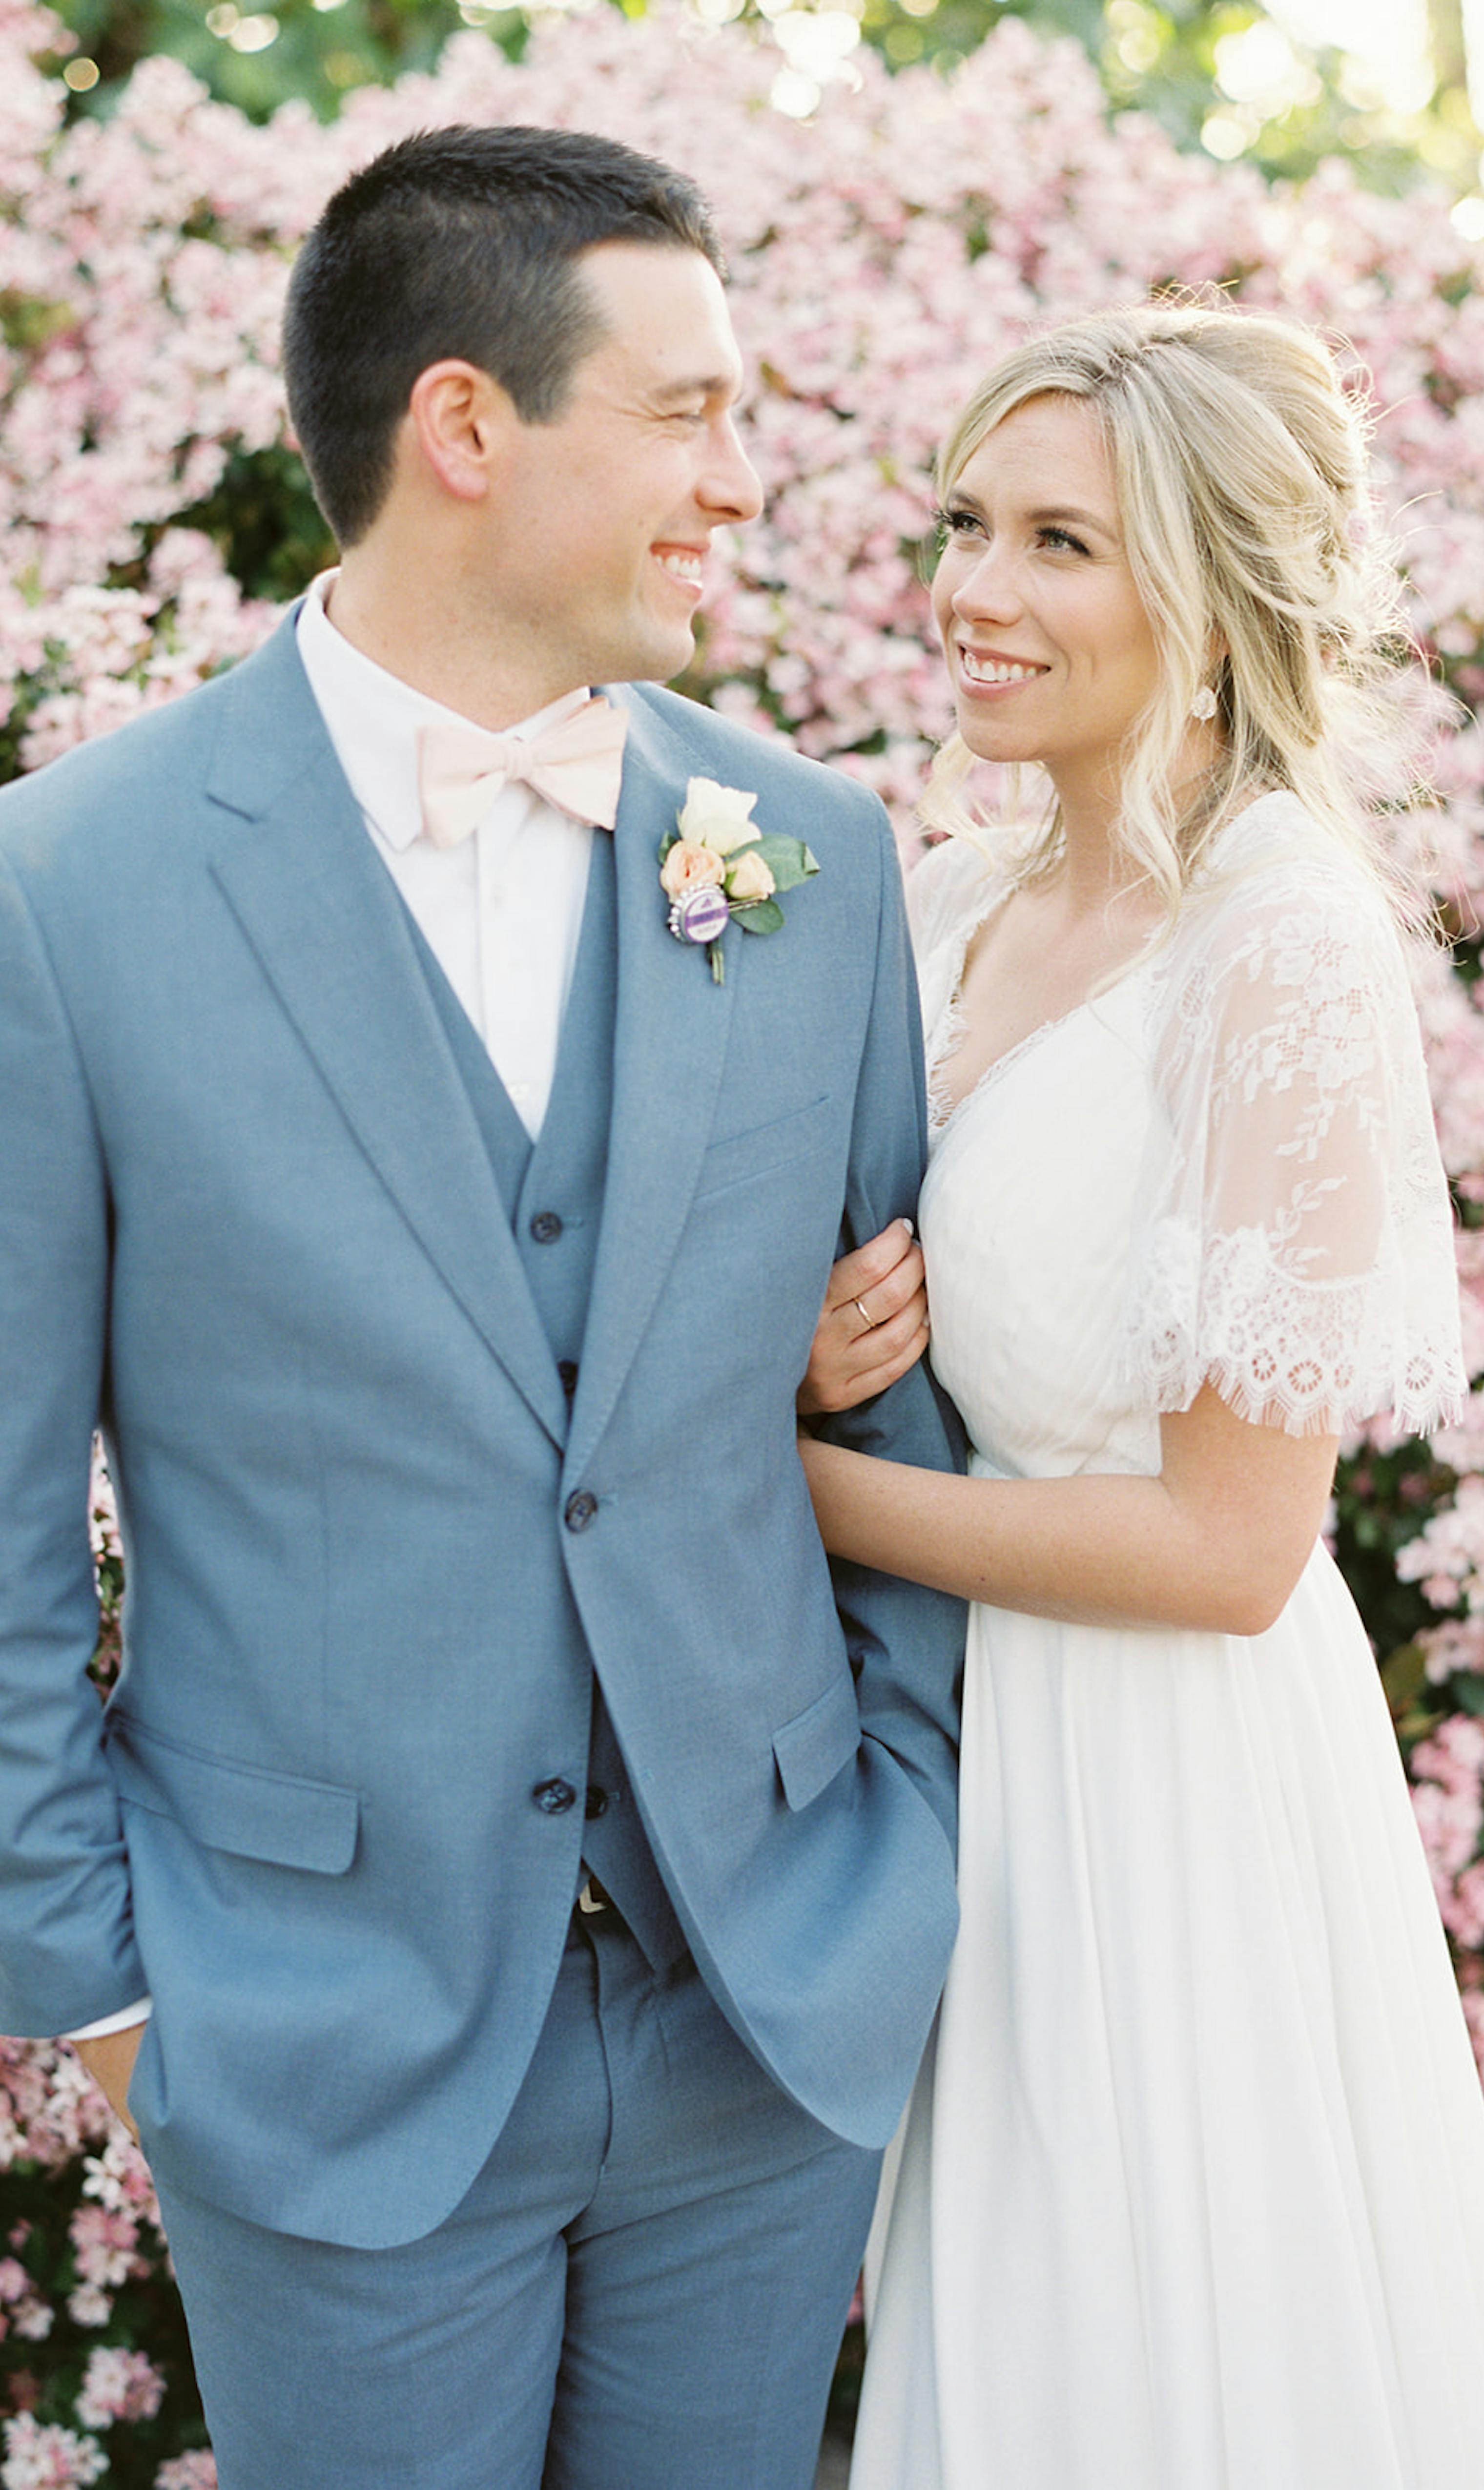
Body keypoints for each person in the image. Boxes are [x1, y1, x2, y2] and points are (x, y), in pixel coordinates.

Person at [0, 125, 966, 2490]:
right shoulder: (63, 892)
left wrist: (897, 1847)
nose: (743, 480)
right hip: (314, 2039)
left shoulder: (813, 857)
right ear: (463, 424)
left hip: (765, 2015)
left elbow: (892, 1405)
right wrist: (105, 1997)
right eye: (688, 411)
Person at [796, 304, 1484, 2487]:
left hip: (1165, 1782)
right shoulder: (952, 899)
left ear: (1215, 602)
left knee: (1177, 2356)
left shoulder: (1276, 942)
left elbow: (1235, 1548)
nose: (975, 588)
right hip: (963, 1752)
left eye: (1061, 542)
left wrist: (787, 1486)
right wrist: (812, 1365)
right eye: (967, 523)